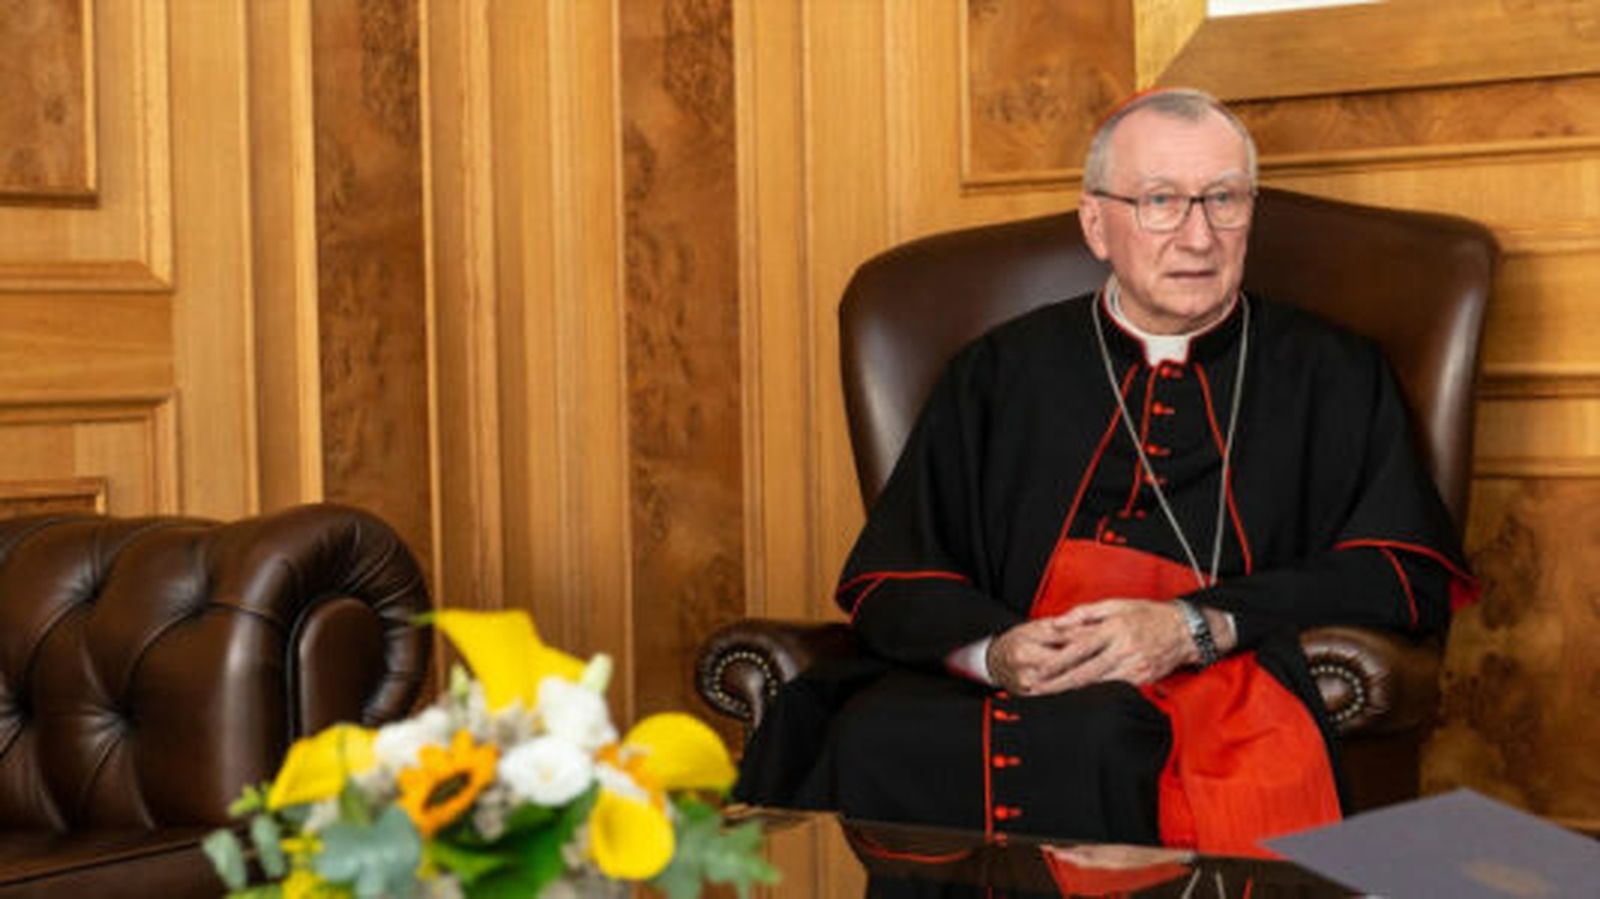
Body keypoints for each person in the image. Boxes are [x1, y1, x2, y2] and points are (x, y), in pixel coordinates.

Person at [733, 88, 1475, 855]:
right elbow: (895, 574)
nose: (1199, 237)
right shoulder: (1000, 371)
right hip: (1018, 669)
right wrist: (998, 651)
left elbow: (1400, 570)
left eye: (1223, 199)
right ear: (1097, 224)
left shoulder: (1332, 372)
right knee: (873, 732)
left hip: (1217, 672)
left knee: (1105, 739)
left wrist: (1195, 626)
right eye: (1161, 201)